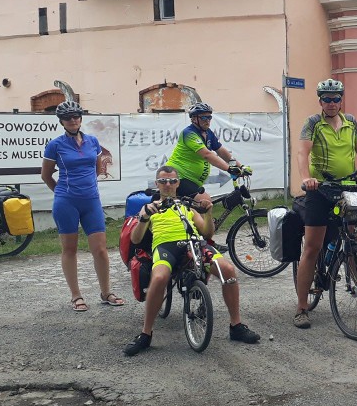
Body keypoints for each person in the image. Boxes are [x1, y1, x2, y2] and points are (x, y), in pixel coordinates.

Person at [123, 165, 261, 356]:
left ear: (178, 183)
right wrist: (144, 218)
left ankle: (236, 326)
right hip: (165, 246)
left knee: (228, 270)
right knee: (160, 278)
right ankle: (145, 333)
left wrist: (208, 213)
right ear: (157, 184)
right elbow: (136, 240)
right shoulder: (150, 208)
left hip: (194, 243)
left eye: (172, 181)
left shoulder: (187, 205)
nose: (168, 185)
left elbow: (207, 232)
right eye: (163, 181)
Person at [293, 78, 357, 329]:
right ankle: (301, 307)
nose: (331, 103)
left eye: (335, 98)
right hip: (320, 190)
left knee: (354, 242)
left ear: (341, 100)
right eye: (326, 99)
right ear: (320, 101)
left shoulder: (351, 122)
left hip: (347, 188)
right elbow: (302, 153)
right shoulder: (313, 124)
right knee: (312, 247)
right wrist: (306, 178)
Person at [41, 101, 125, 312]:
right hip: (66, 201)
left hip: (91, 201)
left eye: (76, 116)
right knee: (70, 249)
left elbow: (97, 170)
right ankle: (76, 296)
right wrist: (61, 193)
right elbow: (46, 175)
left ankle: (106, 292)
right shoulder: (55, 145)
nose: (73, 120)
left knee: (101, 249)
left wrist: (86, 188)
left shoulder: (93, 141)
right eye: (68, 118)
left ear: (81, 119)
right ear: (61, 121)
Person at [166, 102, 244, 249]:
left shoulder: (208, 134)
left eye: (209, 117)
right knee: (205, 201)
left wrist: (240, 166)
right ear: (194, 119)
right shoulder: (189, 133)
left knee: (199, 207)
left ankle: (200, 239)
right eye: (203, 118)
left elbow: (221, 151)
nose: (207, 120)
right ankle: (205, 243)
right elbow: (207, 155)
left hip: (192, 180)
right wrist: (229, 169)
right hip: (178, 177)